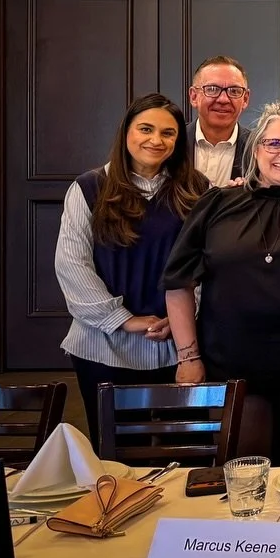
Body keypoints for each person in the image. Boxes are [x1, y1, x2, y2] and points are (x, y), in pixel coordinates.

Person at [164, 100, 280, 465]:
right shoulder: (218, 203)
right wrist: (188, 357)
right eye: (274, 143)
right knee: (242, 471)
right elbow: (178, 282)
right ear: (256, 149)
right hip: (232, 364)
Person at [54, 93, 210, 438]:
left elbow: (207, 266)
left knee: (183, 449)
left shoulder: (197, 189)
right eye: (145, 129)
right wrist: (125, 321)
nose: (156, 140)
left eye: (168, 133)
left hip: (176, 346)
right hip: (102, 346)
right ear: (126, 132)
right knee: (117, 456)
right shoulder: (88, 188)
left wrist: (182, 317)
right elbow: (72, 265)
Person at [187, 55, 252, 186]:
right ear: (194, 96)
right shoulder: (172, 144)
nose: (223, 99)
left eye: (234, 91)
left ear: (245, 99)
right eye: (212, 89)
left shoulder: (259, 149)